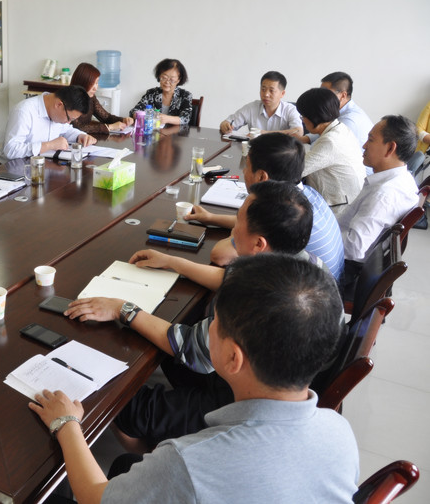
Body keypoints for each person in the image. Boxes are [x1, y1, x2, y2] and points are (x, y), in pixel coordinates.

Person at [33, 254, 358, 503]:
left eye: (214, 322)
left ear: (233, 358)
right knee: (126, 465)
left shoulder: (189, 462)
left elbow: (94, 497)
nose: (207, 328)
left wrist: (67, 424)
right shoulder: (339, 431)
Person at [65, 181, 328, 446]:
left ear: (259, 244)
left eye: (238, 221)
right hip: (273, 384)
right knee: (165, 335)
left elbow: (193, 349)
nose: (233, 228)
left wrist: (122, 309)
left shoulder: (257, 298)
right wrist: (173, 262)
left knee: (125, 401)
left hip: (237, 401)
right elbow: (228, 277)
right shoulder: (306, 269)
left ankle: (149, 454)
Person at [188, 133, 345, 280]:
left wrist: (235, 233)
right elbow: (258, 224)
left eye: (247, 166)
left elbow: (220, 256)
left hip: (299, 287)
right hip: (326, 283)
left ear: (262, 176)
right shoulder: (303, 196)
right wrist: (210, 218)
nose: (244, 171)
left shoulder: (285, 211)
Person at [339, 115, 419, 263]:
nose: (364, 145)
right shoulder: (405, 179)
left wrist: (322, 236)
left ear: (390, 148)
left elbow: (353, 248)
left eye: (370, 140)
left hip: (341, 263)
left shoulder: (384, 195)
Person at [296, 88, 366, 217]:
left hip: (339, 211)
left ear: (314, 117)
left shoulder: (331, 141)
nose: (303, 121)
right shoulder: (339, 127)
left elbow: (295, 171)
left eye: (303, 116)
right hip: (346, 199)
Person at [2, 85, 96, 160]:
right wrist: (49, 145)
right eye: (69, 118)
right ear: (59, 105)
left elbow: (66, 130)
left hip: (43, 166)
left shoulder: (56, 112)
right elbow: (10, 150)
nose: (68, 122)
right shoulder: (24, 111)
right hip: (16, 170)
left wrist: (80, 136)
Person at [297, 72, 373, 147]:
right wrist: (304, 139)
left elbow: (322, 147)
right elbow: (325, 130)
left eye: (326, 93)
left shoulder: (348, 121)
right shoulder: (336, 111)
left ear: (343, 95)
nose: (320, 97)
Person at [219, 71, 303, 135]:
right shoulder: (251, 107)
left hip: (281, 151)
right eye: (263, 89)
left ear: (282, 93)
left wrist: (265, 134)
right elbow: (228, 123)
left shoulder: (290, 110)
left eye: (271, 91)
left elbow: (298, 132)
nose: (266, 94)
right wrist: (225, 125)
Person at [69, 63, 134, 134]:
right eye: (92, 84)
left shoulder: (91, 98)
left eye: (96, 83)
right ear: (82, 82)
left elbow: (106, 117)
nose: (95, 88)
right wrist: (110, 127)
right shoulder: (69, 99)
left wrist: (123, 120)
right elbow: (77, 128)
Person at [129, 58, 193, 126]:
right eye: (164, 77)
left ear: (178, 80)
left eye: (172, 79)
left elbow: (186, 118)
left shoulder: (185, 95)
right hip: (153, 130)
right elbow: (134, 111)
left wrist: (167, 119)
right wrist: (137, 116)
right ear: (159, 76)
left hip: (175, 132)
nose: (167, 82)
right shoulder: (151, 93)